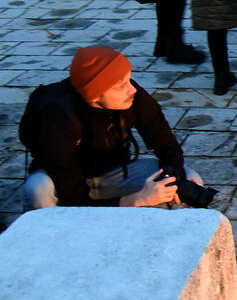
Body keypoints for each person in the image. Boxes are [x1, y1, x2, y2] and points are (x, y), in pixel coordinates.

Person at [21, 47, 203, 209]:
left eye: (129, 80)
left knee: (191, 179)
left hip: (113, 173)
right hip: (63, 181)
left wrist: (173, 181)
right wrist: (136, 200)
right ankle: (47, 236)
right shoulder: (57, 118)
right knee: (38, 190)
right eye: (121, 85)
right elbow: (73, 198)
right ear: (94, 96)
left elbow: (167, 145)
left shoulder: (133, 96)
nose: (131, 89)